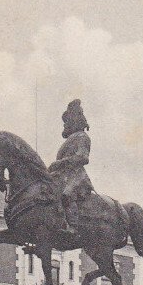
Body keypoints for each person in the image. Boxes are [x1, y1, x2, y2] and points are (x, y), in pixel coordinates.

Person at [48, 99, 94, 237]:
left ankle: (73, 227)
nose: (65, 124)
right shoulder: (69, 140)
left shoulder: (82, 137)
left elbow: (83, 157)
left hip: (77, 176)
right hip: (62, 176)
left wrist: (60, 163)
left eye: (67, 121)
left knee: (66, 194)